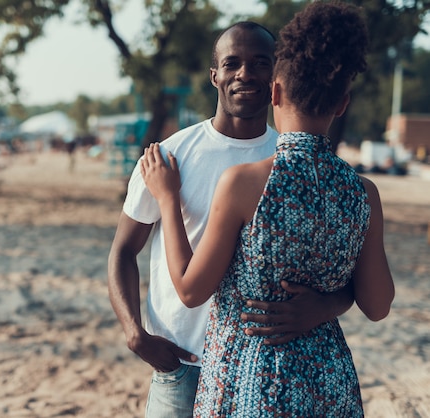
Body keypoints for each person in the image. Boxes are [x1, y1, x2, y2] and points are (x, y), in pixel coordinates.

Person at [140, 2, 395, 416]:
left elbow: (189, 290)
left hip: (249, 381)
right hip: (329, 383)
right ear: (342, 103)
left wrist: (168, 200)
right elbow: (379, 305)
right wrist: (326, 303)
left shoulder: (246, 182)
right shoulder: (363, 193)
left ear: (274, 92)